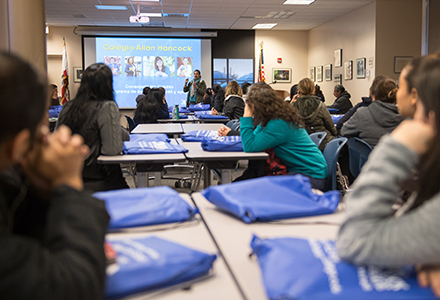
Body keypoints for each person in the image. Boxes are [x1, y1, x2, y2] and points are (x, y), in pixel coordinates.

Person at [0, 52, 109, 299]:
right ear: (19, 145)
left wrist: (42, 189)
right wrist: (68, 183)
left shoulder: (9, 182)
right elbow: (77, 285)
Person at [336, 56, 440, 297]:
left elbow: (355, 240)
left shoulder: (405, 137)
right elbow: (415, 222)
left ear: (417, 98)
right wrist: (424, 251)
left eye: (401, 87)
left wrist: (398, 146)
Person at [239, 82, 328, 190]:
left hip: (310, 176)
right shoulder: (274, 119)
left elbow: (249, 146)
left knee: (262, 189)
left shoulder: (278, 123)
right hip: (304, 171)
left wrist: (246, 116)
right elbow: (253, 138)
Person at [57, 63, 129, 192]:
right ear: (108, 84)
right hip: (99, 178)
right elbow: (112, 150)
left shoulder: (67, 106)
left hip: (67, 178)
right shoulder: (107, 106)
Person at [341, 77, 403, 148]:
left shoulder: (362, 114)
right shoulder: (406, 118)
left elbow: (344, 131)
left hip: (368, 158)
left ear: (374, 97)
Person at [291, 78, 337, 151]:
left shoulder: (292, 107)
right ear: (313, 90)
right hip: (323, 142)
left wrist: (291, 103)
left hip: (302, 143)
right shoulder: (320, 105)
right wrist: (336, 135)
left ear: (298, 91)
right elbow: (330, 126)